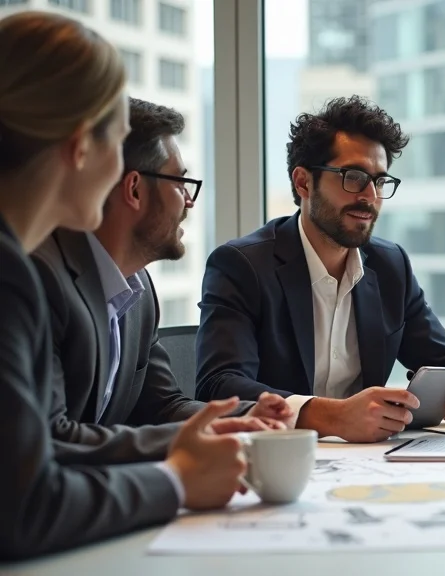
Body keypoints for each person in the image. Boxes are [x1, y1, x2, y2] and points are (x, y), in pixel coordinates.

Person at [0, 12, 249, 560]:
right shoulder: (17, 273)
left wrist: (239, 426)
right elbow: (25, 502)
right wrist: (179, 480)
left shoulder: (132, 289)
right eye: (114, 140)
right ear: (80, 145)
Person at [195, 96, 445, 443]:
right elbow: (219, 385)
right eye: (354, 177)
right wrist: (332, 416)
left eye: (380, 181)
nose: (370, 196)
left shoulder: (390, 265)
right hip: (275, 458)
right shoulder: (243, 265)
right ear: (303, 183)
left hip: (368, 463)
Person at [31, 97, 293, 466]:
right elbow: (54, 437)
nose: (188, 201)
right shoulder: (43, 278)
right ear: (135, 189)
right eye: (180, 182)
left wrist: (244, 421)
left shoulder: (139, 291)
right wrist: (185, 451)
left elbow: (162, 406)